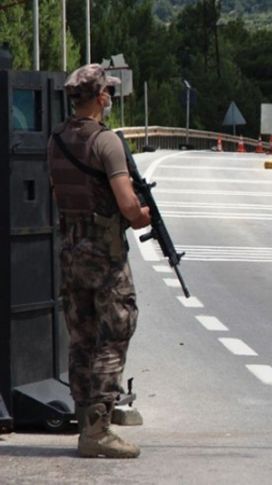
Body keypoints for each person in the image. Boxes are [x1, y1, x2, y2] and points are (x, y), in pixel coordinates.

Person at [47, 64, 150, 459]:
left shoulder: (56, 139)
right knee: (115, 333)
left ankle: (83, 420)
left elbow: (57, 191)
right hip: (105, 256)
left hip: (71, 251)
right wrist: (143, 216)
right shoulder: (106, 143)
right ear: (101, 97)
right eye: (107, 92)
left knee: (81, 338)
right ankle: (98, 429)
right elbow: (127, 204)